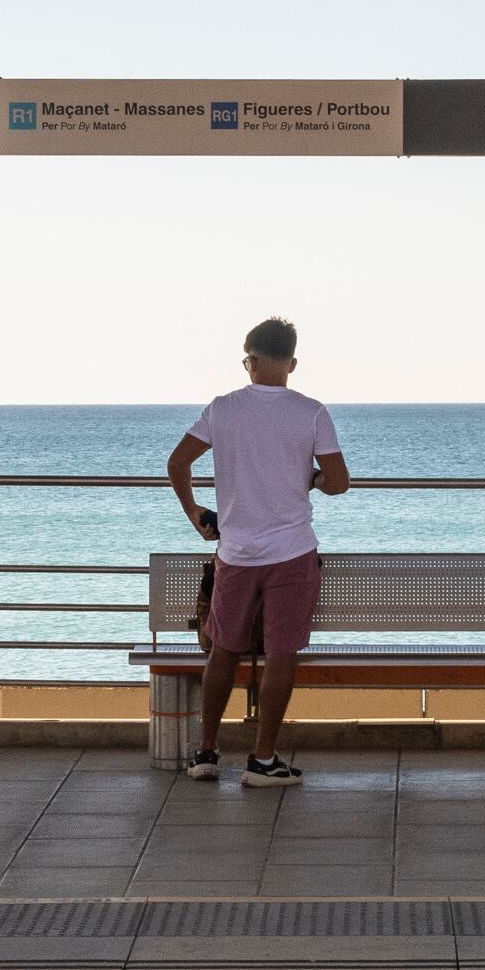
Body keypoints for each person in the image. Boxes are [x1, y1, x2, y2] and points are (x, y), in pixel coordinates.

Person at [166, 316, 349, 785]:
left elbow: (178, 463)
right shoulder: (311, 411)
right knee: (281, 654)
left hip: (236, 553)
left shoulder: (222, 409)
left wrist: (194, 514)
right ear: (292, 362)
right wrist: (308, 477)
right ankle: (263, 760)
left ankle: (207, 753)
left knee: (223, 649)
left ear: (249, 359)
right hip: (291, 552)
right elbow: (339, 483)